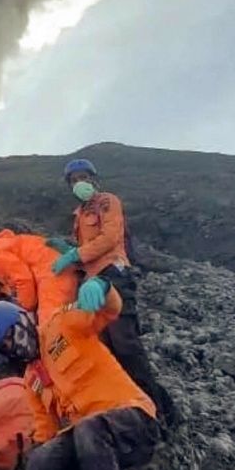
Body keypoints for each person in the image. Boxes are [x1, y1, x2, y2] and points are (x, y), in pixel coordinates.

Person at [0, 293, 160, 470]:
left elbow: (107, 311)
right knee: (41, 460)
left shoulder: (62, 324)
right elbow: (45, 433)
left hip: (132, 421)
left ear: (25, 320)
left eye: (17, 335)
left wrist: (103, 289)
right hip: (93, 442)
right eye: (8, 345)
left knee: (88, 431)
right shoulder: (31, 382)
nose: (19, 346)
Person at [51, 158, 178, 427]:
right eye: (74, 181)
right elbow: (87, 252)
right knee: (111, 350)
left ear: (94, 179)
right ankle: (142, 408)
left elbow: (109, 239)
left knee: (127, 346)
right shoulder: (80, 215)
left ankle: (159, 414)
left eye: (83, 177)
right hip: (94, 282)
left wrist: (76, 252)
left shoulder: (107, 202)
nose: (79, 184)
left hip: (115, 275)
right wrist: (68, 251)